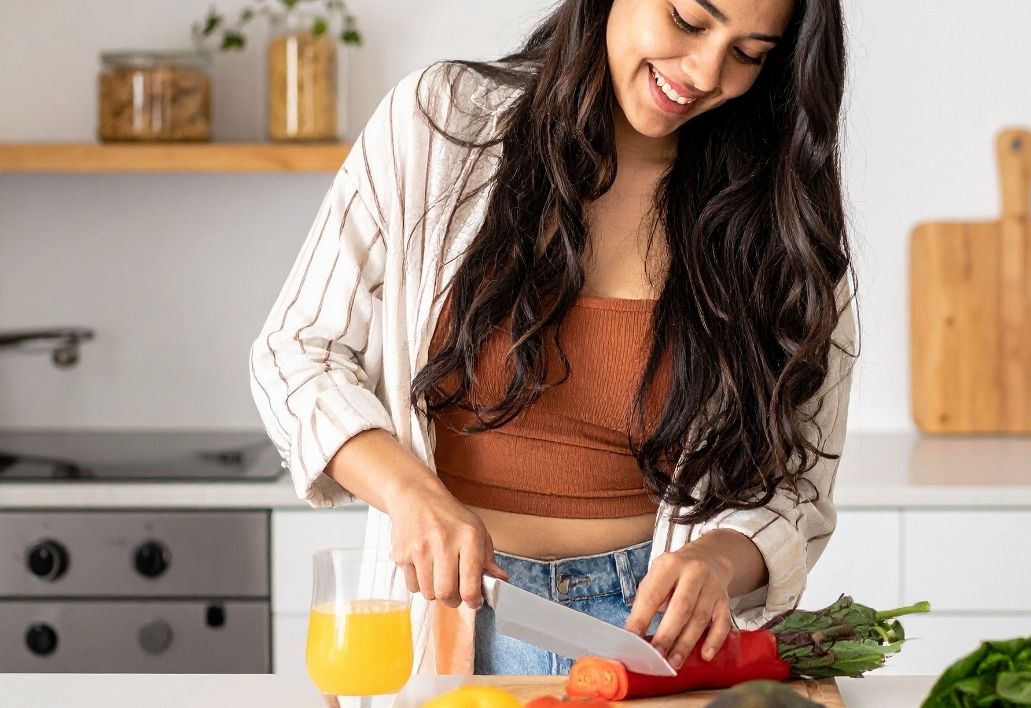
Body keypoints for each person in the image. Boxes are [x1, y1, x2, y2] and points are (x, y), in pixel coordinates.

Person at [249, 0, 857, 686]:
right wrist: (411, 494)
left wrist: (719, 559)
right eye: (688, 20)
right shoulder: (440, 126)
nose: (705, 71)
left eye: (749, 53)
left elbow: (797, 488)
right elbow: (296, 353)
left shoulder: (777, 218)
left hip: (648, 639)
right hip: (441, 610)